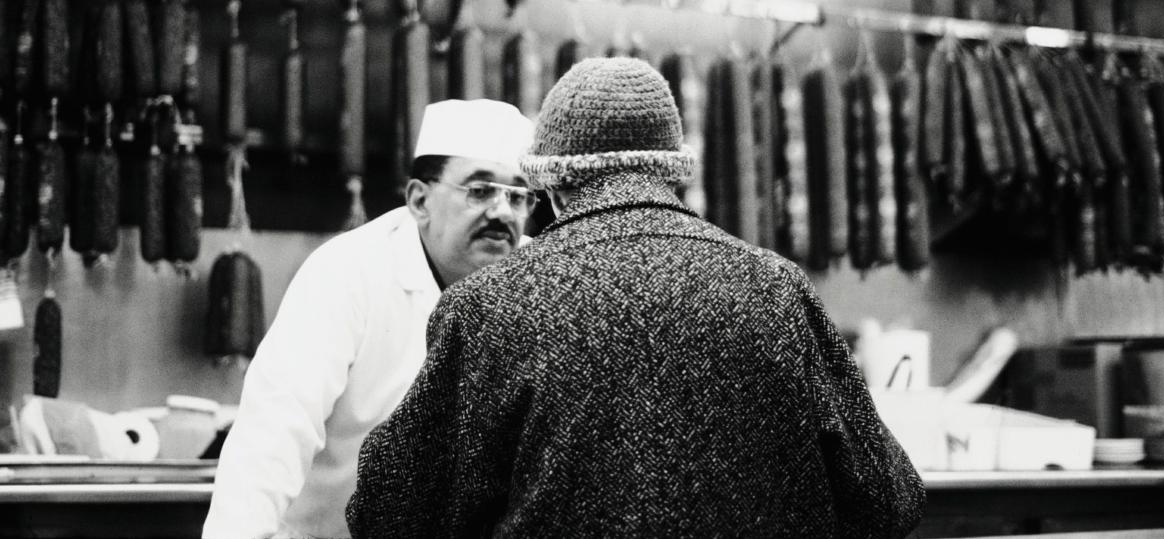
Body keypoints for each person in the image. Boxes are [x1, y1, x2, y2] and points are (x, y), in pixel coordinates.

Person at [347, 59, 926, 537]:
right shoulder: (779, 289)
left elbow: (386, 512)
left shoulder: (487, 307)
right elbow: (889, 499)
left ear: (551, 183)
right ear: (672, 171)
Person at [203, 99, 536, 539]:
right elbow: (275, 429)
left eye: (517, 196)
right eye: (480, 191)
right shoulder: (349, 272)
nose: (502, 213)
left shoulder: (538, 282)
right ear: (419, 200)